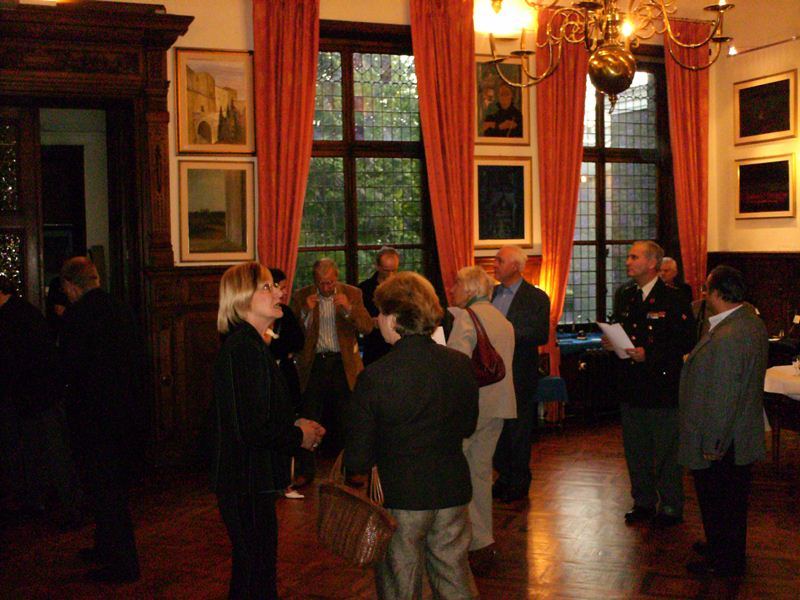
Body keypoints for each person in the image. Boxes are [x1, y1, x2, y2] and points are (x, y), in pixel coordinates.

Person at [344, 272, 480, 600]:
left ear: (394, 318)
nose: (377, 320)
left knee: (400, 583)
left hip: (401, 494)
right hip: (452, 488)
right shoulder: (460, 365)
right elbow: (467, 426)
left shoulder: (375, 376)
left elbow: (358, 458)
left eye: (380, 313)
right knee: (454, 575)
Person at [212, 262, 324, 599]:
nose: (278, 293)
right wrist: (298, 436)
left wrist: (294, 426)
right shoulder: (244, 348)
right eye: (267, 287)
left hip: (248, 478)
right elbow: (251, 428)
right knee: (256, 575)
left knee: (253, 571)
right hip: (245, 479)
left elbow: (255, 415)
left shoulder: (250, 345)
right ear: (243, 297)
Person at [59, 257, 145, 583]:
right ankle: (106, 548)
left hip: (93, 418)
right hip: (124, 413)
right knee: (112, 489)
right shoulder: (120, 308)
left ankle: (122, 564)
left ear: (71, 286)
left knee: (104, 491)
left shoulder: (76, 316)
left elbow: (69, 369)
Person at [679, 266, 768, 577]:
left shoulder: (729, 335)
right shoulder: (749, 321)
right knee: (730, 501)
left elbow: (724, 396)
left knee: (719, 499)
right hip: (737, 432)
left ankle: (724, 561)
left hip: (724, 437)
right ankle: (723, 548)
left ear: (715, 293)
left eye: (706, 289)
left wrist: (713, 443)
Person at [601, 241, 695, 528]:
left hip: (661, 386)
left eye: (634, 257)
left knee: (666, 451)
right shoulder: (626, 295)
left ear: (653, 263)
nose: (627, 261)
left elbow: (686, 341)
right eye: (629, 257)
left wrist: (649, 354)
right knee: (636, 449)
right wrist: (611, 342)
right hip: (631, 385)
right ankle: (642, 501)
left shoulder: (673, 298)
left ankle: (670, 505)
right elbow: (623, 329)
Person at [447, 266, 516, 575]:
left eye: (457, 284)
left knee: (459, 474)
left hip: (471, 409)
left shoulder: (466, 318)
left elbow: (456, 368)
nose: (452, 290)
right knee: (481, 474)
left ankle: (462, 539)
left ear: (471, 288)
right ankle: (483, 540)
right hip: (499, 406)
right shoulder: (503, 319)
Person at [0, 276, 82, 528]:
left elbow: (14, 361)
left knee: (47, 450)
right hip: (39, 393)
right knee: (42, 449)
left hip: (35, 394)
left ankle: (64, 505)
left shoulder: (12, 317)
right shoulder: (25, 312)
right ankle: (48, 501)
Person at [290, 258, 372, 483]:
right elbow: (292, 334)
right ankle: (305, 471)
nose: (326, 287)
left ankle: (353, 470)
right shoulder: (301, 296)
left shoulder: (352, 293)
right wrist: (305, 312)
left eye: (330, 282)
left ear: (337, 278)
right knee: (309, 417)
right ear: (314, 280)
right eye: (321, 283)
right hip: (314, 363)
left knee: (349, 418)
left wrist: (349, 309)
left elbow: (367, 327)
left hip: (343, 363)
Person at [490, 246, 550, 503]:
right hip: (491, 375)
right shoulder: (490, 294)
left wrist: (504, 332)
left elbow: (539, 334)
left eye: (500, 260)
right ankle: (503, 477)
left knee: (518, 431)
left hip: (519, 374)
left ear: (515, 266)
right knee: (497, 430)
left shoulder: (536, 297)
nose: (494, 264)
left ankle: (519, 481)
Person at [358, 247, 400, 366]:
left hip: (398, 347)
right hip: (374, 347)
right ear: (378, 267)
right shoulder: (364, 289)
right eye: (386, 270)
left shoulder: (403, 288)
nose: (390, 275)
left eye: (394, 270)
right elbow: (358, 321)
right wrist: (370, 322)